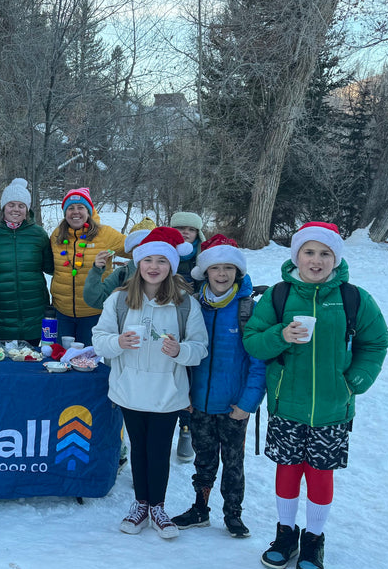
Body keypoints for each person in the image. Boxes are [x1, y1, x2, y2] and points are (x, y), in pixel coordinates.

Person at [243, 222, 388, 569]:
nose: (316, 260)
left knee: (320, 475)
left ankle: (314, 538)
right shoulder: (278, 296)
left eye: (325, 253)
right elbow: (253, 341)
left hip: (332, 408)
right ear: (297, 256)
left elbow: (376, 343)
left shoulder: (355, 298)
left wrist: (356, 380)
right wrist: (281, 334)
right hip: (286, 404)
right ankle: (285, 534)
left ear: (335, 259)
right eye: (309, 252)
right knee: (288, 472)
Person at [92, 227, 207, 539]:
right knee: (138, 448)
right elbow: (99, 341)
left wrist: (180, 350)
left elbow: (200, 347)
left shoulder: (185, 304)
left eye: (162, 261)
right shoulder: (118, 301)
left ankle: (158, 506)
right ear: (138, 263)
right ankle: (141, 504)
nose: (154, 267)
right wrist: (119, 341)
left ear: (171, 266)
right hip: (129, 389)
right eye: (148, 260)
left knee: (158, 451)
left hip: (166, 393)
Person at [172, 235, 266, 538]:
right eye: (215, 268)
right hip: (198, 401)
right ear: (205, 272)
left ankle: (233, 514)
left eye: (228, 268)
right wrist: (184, 393)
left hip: (234, 404)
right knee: (204, 458)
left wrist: (248, 402)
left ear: (237, 272)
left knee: (233, 462)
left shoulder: (247, 309)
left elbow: (258, 361)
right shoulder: (194, 305)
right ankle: (200, 508)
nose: (222, 274)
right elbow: (184, 355)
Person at [0, 178, 53, 344]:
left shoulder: (38, 234)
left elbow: (50, 266)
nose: (16, 209)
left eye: (21, 205)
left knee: (31, 363)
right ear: (3, 207)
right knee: (5, 366)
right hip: (1, 314)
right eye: (11, 204)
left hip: (33, 315)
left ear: (27, 209)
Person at [49, 188, 125, 343]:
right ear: (65, 213)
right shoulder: (56, 235)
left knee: (88, 361)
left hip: (94, 313)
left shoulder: (106, 234)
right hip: (62, 313)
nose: (75, 212)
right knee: (60, 357)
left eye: (80, 207)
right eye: (70, 208)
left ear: (89, 211)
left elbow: (137, 249)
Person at [170, 211, 206, 462]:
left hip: (195, 323)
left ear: (197, 234)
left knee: (189, 377)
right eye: (180, 228)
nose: (185, 233)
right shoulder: (162, 255)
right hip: (165, 323)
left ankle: (186, 429)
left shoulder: (205, 259)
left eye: (190, 229)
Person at [82, 218, 156, 311]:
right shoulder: (123, 274)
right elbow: (97, 300)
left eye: (150, 245)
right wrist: (96, 271)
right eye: (138, 247)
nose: (144, 251)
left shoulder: (167, 272)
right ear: (131, 250)